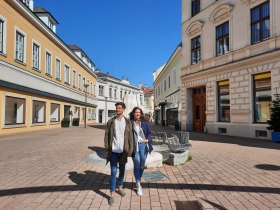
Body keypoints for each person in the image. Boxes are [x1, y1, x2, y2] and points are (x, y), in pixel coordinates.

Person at [104, 102, 133, 205]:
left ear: (123, 109)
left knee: (122, 171)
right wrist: (107, 147)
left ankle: (120, 187)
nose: (117, 109)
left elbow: (130, 137)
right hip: (114, 151)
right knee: (113, 172)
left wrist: (130, 150)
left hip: (123, 151)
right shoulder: (111, 122)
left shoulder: (128, 122)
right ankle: (112, 194)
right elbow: (107, 134)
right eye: (117, 108)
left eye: (119, 108)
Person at [129, 107, 153, 196]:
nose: (137, 114)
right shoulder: (130, 123)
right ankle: (138, 184)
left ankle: (138, 179)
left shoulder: (145, 123)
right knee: (136, 163)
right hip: (134, 146)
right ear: (133, 113)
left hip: (144, 145)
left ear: (141, 113)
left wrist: (148, 140)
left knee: (142, 164)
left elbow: (150, 133)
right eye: (136, 112)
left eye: (139, 112)